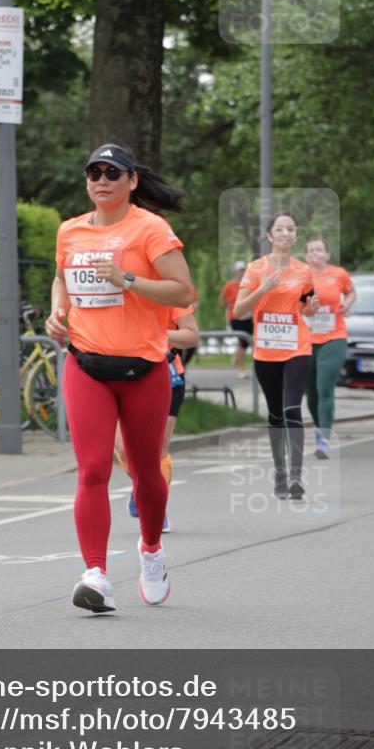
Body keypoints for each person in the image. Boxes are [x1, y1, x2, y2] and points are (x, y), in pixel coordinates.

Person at [45, 144, 193, 612]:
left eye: (113, 173)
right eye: (94, 172)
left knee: (145, 469)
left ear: (132, 181)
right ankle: (96, 574)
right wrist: (58, 312)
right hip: (86, 363)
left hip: (143, 367)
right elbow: (62, 279)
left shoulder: (151, 229)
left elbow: (182, 291)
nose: (102, 180)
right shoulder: (70, 230)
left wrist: (127, 279)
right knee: (92, 469)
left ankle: (151, 549)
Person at [232, 212, 319, 501]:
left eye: (290, 229)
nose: (285, 233)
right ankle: (279, 473)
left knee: (292, 408)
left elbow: (306, 306)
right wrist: (263, 288)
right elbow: (238, 309)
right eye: (279, 229)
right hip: (266, 350)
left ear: (296, 236)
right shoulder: (256, 268)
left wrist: (311, 308)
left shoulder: (304, 271)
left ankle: (296, 477)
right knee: (275, 414)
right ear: (270, 235)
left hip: (298, 347)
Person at [114, 303, 199, 533]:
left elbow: (191, 336)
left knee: (158, 448)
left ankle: (156, 509)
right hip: (121, 372)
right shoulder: (116, 291)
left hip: (167, 374)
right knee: (123, 449)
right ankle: (141, 487)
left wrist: (156, 333)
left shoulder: (170, 293)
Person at [304, 239, 356, 458]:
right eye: (311, 250)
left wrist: (347, 303)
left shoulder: (338, 274)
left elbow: (351, 292)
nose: (316, 253)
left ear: (327, 254)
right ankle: (320, 429)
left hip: (334, 337)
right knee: (311, 393)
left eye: (320, 250)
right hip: (306, 340)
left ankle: (324, 439)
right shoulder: (300, 275)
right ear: (306, 256)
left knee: (324, 387)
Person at [220, 261, 253, 377]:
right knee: (242, 343)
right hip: (235, 317)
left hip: (248, 317)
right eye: (240, 271)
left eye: (243, 270)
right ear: (235, 272)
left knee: (246, 343)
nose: (242, 273)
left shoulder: (249, 284)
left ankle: (236, 357)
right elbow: (222, 300)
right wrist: (229, 306)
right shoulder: (230, 285)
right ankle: (241, 369)